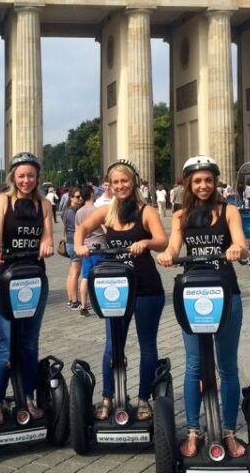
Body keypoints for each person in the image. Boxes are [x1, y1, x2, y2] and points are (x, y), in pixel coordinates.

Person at [157, 156, 250, 458]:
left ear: (216, 182)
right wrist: (168, 255)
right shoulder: (180, 215)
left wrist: (236, 248)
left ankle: (229, 430)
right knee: (195, 365)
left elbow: (242, 244)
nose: (203, 185)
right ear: (188, 184)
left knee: (227, 366)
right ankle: (194, 430)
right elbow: (174, 245)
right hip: (193, 294)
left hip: (226, 293)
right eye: (197, 181)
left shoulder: (229, 211)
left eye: (208, 180)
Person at [74, 159, 167, 424]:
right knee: (112, 345)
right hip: (115, 289)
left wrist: (146, 242)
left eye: (124, 181)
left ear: (133, 182)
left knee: (147, 345)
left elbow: (163, 242)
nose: (120, 186)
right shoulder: (107, 211)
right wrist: (79, 246)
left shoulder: (146, 211)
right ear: (110, 185)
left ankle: (143, 398)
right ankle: (108, 396)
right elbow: (82, 227)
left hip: (146, 287)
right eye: (115, 182)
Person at [0, 152, 55, 424]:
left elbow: (47, 237)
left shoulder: (44, 204)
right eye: (22, 175)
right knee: (7, 345)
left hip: (34, 279)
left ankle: (28, 396)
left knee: (29, 343)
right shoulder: (3, 200)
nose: (26, 180)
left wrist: (46, 246)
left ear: (37, 177)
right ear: (13, 177)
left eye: (31, 176)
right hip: (7, 278)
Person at [75, 183, 105, 315]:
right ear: (92, 194)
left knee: (85, 276)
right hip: (99, 246)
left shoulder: (79, 212)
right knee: (100, 276)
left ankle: (83, 305)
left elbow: (78, 231)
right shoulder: (97, 210)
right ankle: (100, 303)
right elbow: (105, 227)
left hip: (85, 248)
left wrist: (79, 245)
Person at [62, 187, 84, 309]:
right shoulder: (72, 212)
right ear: (71, 198)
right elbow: (79, 227)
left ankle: (71, 299)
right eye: (77, 197)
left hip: (69, 242)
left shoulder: (66, 210)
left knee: (71, 272)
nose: (80, 199)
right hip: (74, 242)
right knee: (75, 273)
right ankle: (75, 301)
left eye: (81, 196)